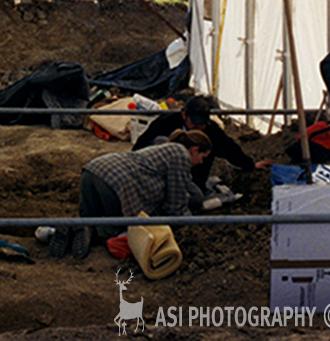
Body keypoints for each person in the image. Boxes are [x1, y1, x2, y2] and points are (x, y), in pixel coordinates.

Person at [50, 130, 212, 260]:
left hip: (94, 170)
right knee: (112, 229)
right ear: (194, 150)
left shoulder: (163, 147)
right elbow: (175, 205)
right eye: (202, 157)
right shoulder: (181, 155)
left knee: (88, 219)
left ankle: (63, 229)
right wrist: (188, 221)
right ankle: (90, 231)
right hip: (116, 182)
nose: (200, 163)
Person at [132, 95, 273, 190]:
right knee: (160, 141)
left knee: (196, 199)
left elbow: (229, 148)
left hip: (192, 179)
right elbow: (142, 143)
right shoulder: (166, 123)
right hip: (160, 175)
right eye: (194, 123)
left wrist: (250, 165)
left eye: (202, 124)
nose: (198, 127)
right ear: (184, 115)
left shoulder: (212, 131)